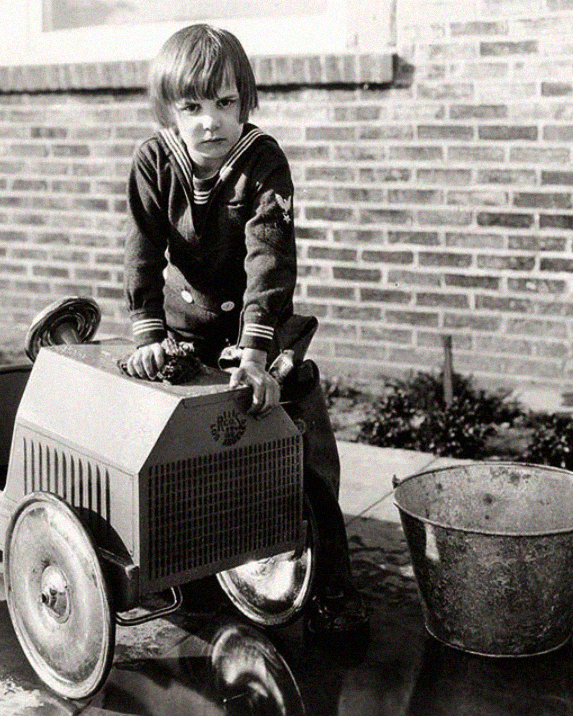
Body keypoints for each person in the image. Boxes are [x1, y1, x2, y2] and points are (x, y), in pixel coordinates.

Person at [121, 23, 369, 635]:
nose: (211, 122)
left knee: (298, 439)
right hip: (187, 320)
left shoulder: (261, 162)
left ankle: (334, 587)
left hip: (261, 324)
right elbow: (141, 251)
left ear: (245, 102)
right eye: (193, 107)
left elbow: (269, 259)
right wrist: (149, 335)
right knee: (175, 439)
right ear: (168, 111)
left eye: (225, 103)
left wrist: (257, 354)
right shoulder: (154, 163)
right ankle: (187, 563)